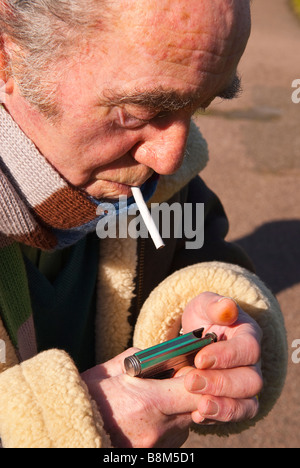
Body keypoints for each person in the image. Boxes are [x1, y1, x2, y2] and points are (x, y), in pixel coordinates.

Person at [0, 0, 287, 448]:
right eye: (134, 113)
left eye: (199, 106)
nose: (169, 158)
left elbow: (198, 253)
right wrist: (64, 429)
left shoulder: (160, 180)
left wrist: (213, 319)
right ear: (7, 54)